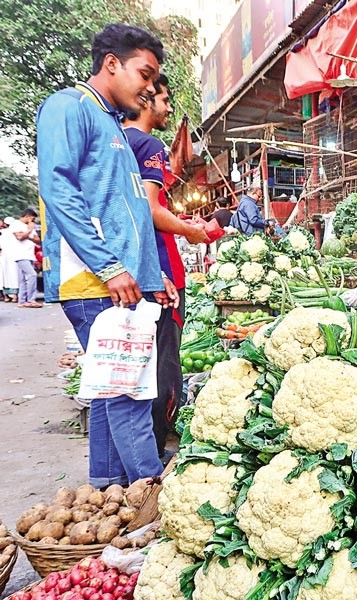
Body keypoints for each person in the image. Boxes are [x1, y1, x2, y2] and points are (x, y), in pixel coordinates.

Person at [36, 23, 174, 488]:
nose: (149, 87)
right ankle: (152, 501)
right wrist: (109, 266)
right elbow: (59, 190)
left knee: (110, 393)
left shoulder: (110, 124)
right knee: (129, 394)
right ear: (111, 64)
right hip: (94, 281)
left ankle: (111, 500)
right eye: (144, 73)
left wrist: (151, 275)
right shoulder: (69, 107)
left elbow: (131, 211)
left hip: (118, 281)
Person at [123, 73, 209, 460]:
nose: (170, 108)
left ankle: (140, 450)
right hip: (160, 273)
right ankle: (156, 454)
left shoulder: (115, 143)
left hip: (131, 272)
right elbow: (151, 209)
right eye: (164, 100)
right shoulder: (149, 144)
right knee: (164, 368)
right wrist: (191, 231)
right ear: (145, 99)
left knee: (136, 368)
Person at [7, 208, 41, 307]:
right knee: (32, 275)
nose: (33, 221)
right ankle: (31, 300)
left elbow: (37, 240)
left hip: (29, 255)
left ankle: (22, 301)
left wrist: (28, 235)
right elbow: (19, 237)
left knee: (23, 279)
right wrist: (29, 230)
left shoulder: (29, 226)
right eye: (32, 218)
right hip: (20, 255)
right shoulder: (16, 224)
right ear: (27, 217)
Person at [0, 217, 20, 302]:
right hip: (14, 256)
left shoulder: (2, 233)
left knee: (4, 276)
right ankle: (15, 296)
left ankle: (6, 296)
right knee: (14, 276)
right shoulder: (15, 232)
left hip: (4, 256)